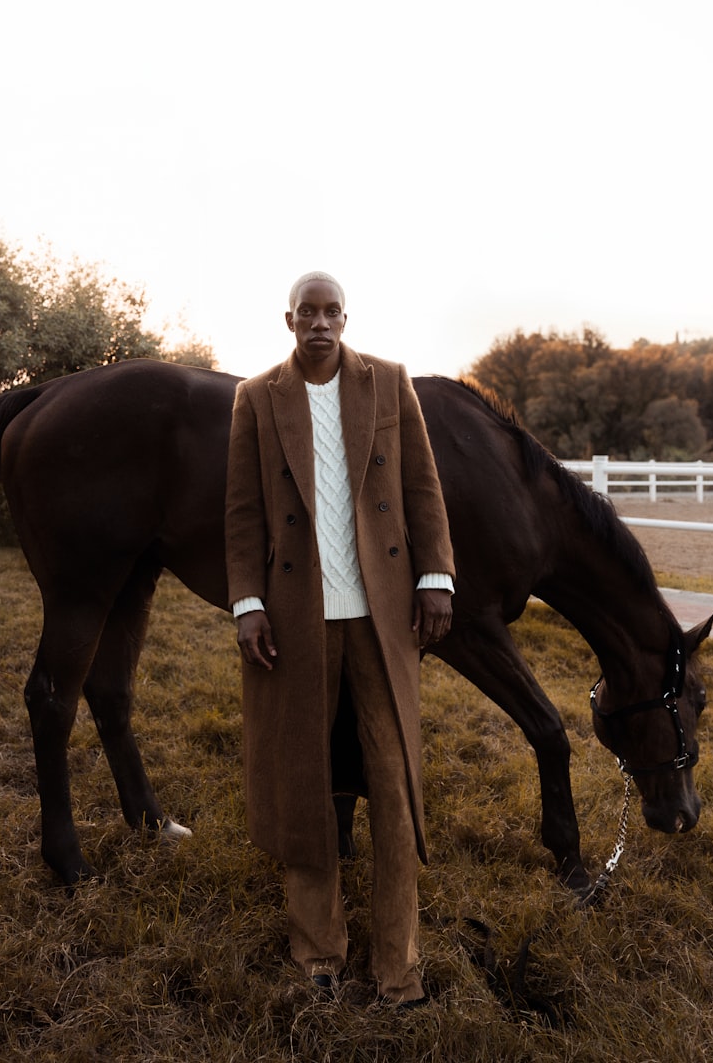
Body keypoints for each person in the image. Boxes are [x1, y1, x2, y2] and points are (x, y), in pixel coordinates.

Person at [224, 271, 454, 1007]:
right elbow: (241, 511)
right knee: (303, 777)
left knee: (392, 783)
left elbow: (422, 486)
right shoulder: (256, 397)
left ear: (345, 318)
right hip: (295, 613)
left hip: (381, 613)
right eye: (307, 312)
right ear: (288, 319)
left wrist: (436, 576)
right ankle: (318, 948)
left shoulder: (388, 383)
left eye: (332, 312)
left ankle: (399, 966)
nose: (319, 322)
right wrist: (248, 601)